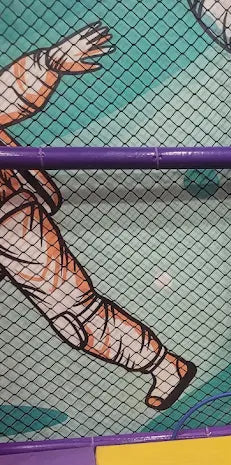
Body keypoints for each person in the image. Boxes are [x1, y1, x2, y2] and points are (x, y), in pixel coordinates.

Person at [0, 23, 196, 411]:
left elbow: (7, 96)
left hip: (7, 213)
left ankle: (162, 364)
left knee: (74, 315)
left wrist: (47, 63)